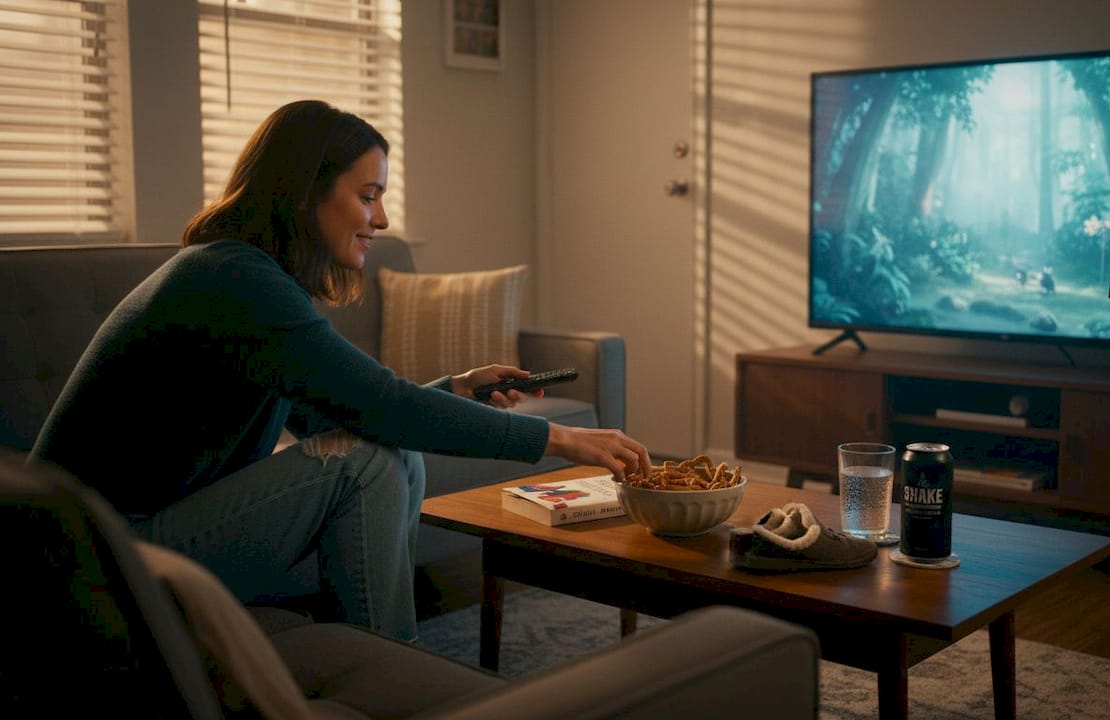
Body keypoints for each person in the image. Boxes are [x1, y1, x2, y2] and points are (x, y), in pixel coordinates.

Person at [28, 99, 652, 644]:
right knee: (368, 461)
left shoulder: (247, 279)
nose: (379, 221)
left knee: (390, 453)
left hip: (131, 544)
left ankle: (381, 652)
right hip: (88, 565)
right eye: (368, 195)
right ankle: (393, 667)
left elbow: (336, 415)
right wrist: (563, 439)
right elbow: (379, 403)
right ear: (304, 192)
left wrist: (459, 389)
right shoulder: (232, 279)